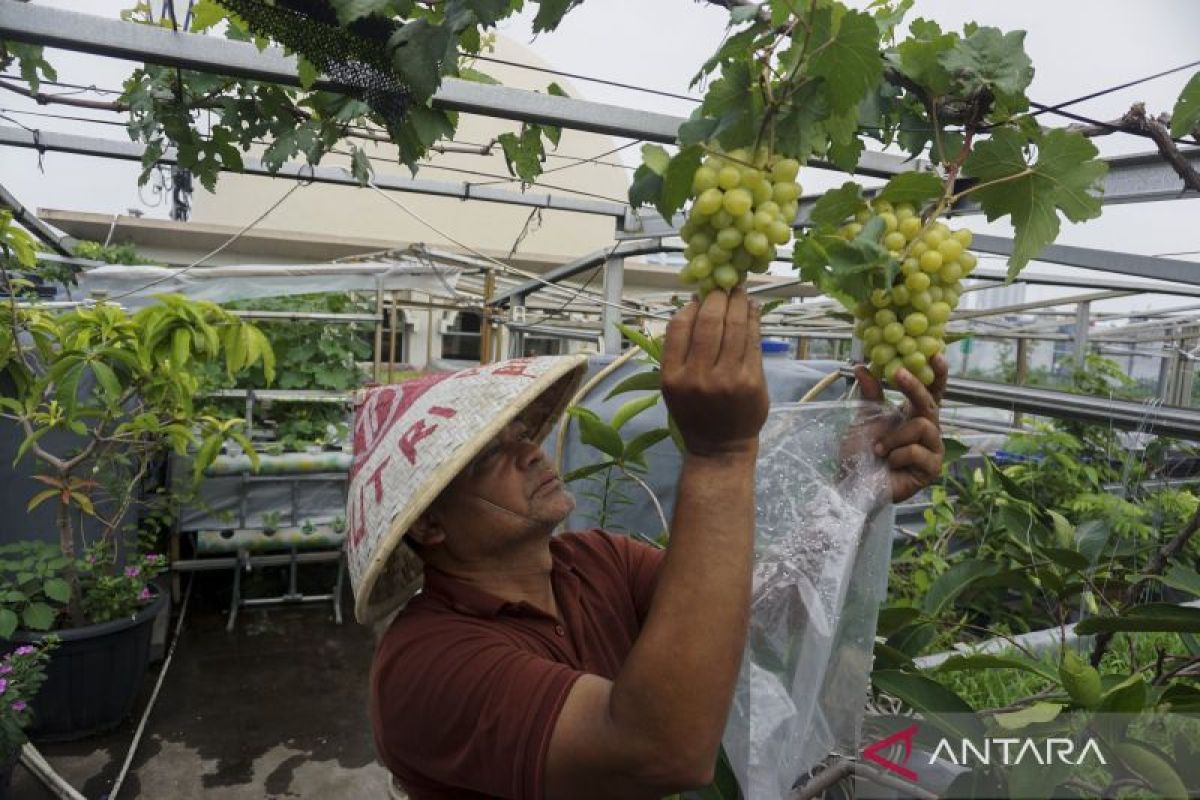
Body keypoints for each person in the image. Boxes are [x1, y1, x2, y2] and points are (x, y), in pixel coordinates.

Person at [347, 288, 947, 800]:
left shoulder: (595, 561)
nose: (531, 450)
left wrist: (853, 492)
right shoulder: (425, 665)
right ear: (430, 527)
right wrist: (719, 455)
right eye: (489, 456)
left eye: (522, 435)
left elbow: (759, 615)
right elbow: (658, 751)